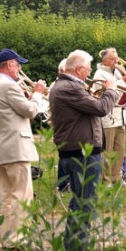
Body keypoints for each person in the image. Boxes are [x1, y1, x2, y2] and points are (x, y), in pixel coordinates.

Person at [49, 50, 117, 251]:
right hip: (82, 155)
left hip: (79, 152)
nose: (89, 74)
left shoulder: (68, 86)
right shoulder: (70, 87)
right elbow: (101, 108)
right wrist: (111, 90)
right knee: (84, 205)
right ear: (79, 70)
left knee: (80, 203)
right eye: (88, 70)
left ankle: (73, 249)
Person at [0, 48, 47, 249]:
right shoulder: (8, 86)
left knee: (8, 197)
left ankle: (9, 239)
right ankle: (20, 240)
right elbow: (29, 111)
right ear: (10, 65)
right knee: (22, 195)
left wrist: (28, 96)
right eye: (18, 65)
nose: (19, 69)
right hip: (16, 147)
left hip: (3, 147)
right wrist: (37, 95)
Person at [93, 47, 126, 185]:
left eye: (116, 58)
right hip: (108, 117)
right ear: (104, 61)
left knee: (120, 149)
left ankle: (117, 176)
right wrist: (122, 80)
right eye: (112, 59)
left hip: (121, 116)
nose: (116, 61)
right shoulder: (99, 74)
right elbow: (109, 92)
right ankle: (107, 179)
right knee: (108, 150)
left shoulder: (115, 72)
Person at [52, 57, 71, 192]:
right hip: (63, 125)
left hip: (66, 124)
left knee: (67, 155)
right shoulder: (59, 86)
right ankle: (63, 184)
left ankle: (66, 182)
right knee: (64, 156)